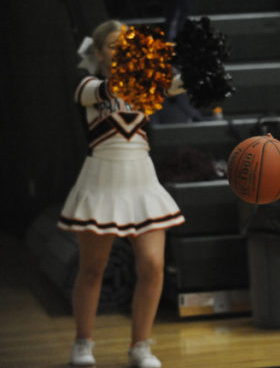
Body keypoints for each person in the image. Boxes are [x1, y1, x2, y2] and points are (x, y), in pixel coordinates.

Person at [58, 20, 186, 367]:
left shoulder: (146, 83)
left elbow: (177, 84)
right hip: (102, 182)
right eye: (115, 46)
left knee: (153, 266)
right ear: (99, 53)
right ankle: (83, 342)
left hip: (142, 181)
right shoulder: (87, 85)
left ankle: (140, 346)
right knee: (92, 269)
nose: (123, 51)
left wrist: (198, 68)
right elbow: (108, 88)